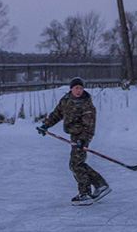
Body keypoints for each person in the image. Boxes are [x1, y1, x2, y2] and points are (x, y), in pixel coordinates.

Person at [38, 77, 109, 205]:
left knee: (75, 164)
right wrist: (46, 125)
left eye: (81, 88)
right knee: (78, 163)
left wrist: (83, 140)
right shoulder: (66, 100)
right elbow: (57, 114)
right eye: (76, 88)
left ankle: (85, 193)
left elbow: (89, 126)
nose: (79, 91)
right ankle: (100, 185)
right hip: (74, 135)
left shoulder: (86, 104)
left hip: (82, 136)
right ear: (71, 88)